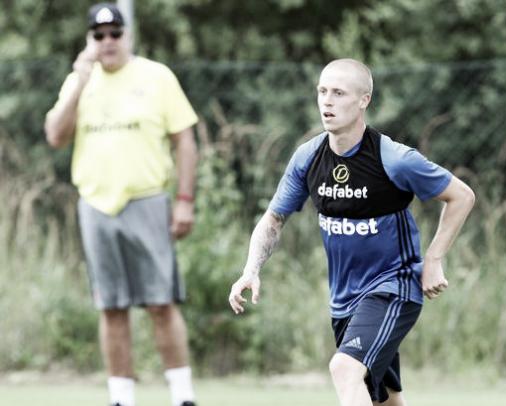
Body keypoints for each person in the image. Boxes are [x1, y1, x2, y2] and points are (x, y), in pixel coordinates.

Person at [228, 58, 475, 406]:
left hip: (395, 286)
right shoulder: (308, 158)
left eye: (339, 93)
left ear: (363, 100)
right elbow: (273, 219)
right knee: (385, 400)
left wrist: (434, 259)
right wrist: (250, 269)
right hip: (345, 301)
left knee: (344, 369)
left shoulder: (394, 159)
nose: (326, 101)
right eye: (322, 91)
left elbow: (461, 196)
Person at [45, 4, 198, 406]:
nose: (108, 42)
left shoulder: (156, 76)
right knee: (111, 307)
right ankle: (121, 399)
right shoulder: (80, 81)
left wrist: (184, 200)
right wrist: (79, 80)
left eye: (115, 33)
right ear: (89, 40)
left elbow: (185, 140)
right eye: (99, 35)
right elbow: (55, 136)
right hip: (96, 205)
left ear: (127, 35)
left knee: (161, 303)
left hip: (147, 201)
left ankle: (182, 397)